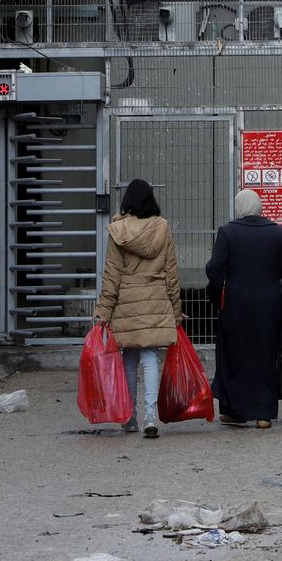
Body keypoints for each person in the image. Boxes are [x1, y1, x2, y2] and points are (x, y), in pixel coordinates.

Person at [206, 188, 282, 429]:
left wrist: (214, 294)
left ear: (239, 207)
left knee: (234, 355)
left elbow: (214, 269)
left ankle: (234, 411)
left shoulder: (227, 232)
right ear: (259, 207)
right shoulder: (278, 234)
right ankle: (264, 414)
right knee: (265, 355)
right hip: (267, 305)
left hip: (235, 305)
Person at [95, 179, 181, 438]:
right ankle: (151, 417)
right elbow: (171, 273)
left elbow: (112, 274)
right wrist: (176, 310)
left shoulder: (118, 230)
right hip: (155, 298)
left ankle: (129, 416)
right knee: (151, 356)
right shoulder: (162, 227)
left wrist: (104, 311)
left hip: (127, 301)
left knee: (130, 358)